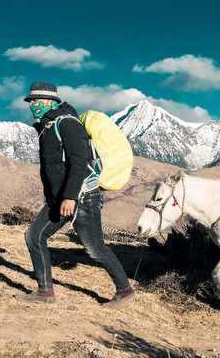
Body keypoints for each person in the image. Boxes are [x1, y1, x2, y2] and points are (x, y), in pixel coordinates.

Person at [23, 82, 135, 306]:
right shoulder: (46, 128)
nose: (33, 105)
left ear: (50, 102)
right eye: (31, 102)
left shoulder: (68, 124)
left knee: (95, 249)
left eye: (37, 101)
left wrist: (70, 197)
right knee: (34, 236)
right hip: (60, 198)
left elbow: (79, 164)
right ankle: (45, 292)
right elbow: (52, 169)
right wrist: (53, 197)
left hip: (82, 196)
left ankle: (125, 291)